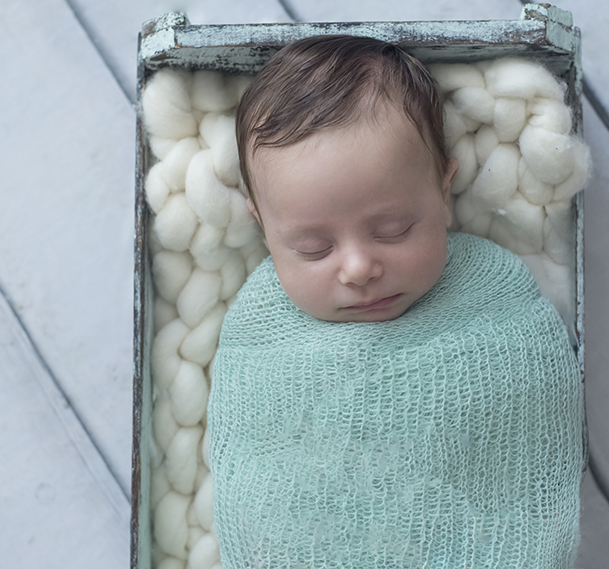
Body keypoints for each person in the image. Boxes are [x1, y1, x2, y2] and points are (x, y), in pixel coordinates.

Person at [207, 36, 585, 568]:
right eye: (313, 248)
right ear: (263, 228)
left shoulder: (490, 295)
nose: (358, 268)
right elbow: (253, 470)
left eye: (394, 229)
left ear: (444, 193)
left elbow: (527, 425)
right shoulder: (262, 328)